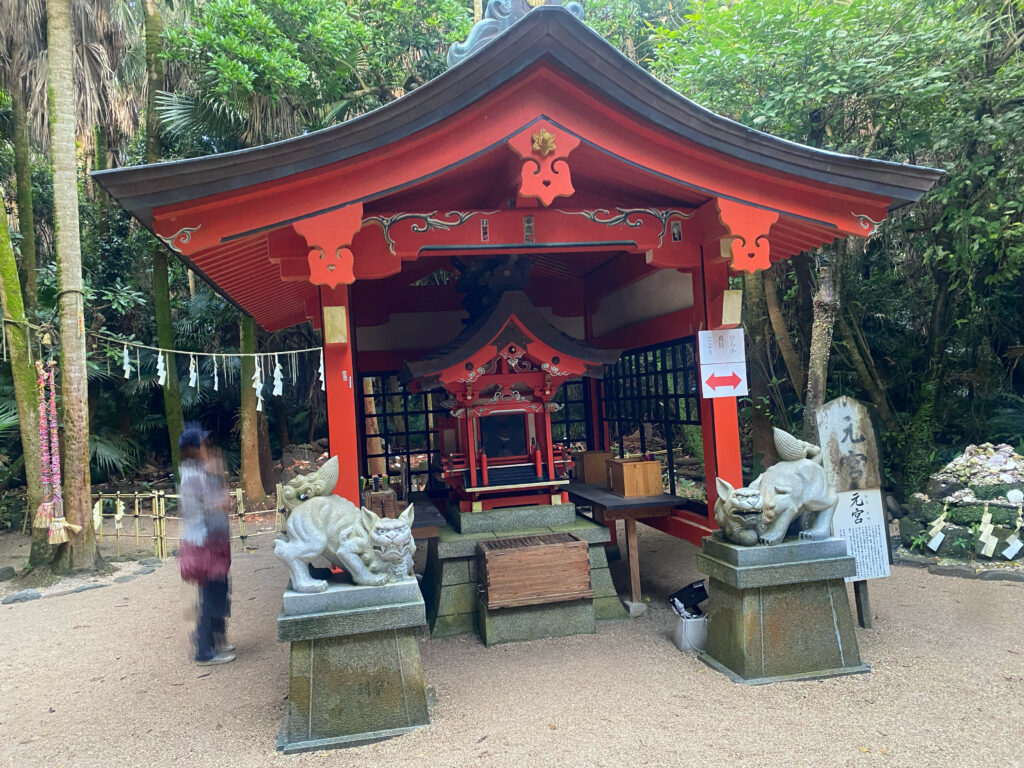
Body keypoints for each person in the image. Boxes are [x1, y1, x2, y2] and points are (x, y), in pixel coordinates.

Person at [176, 425, 234, 666]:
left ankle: (217, 639)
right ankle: (204, 650)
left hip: (211, 540)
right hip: (203, 542)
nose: (206, 447)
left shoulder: (198, 472)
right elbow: (217, 504)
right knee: (211, 594)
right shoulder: (194, 476)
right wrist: (219, 478)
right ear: (192, 449)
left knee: (220, 589)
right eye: (202, 443)